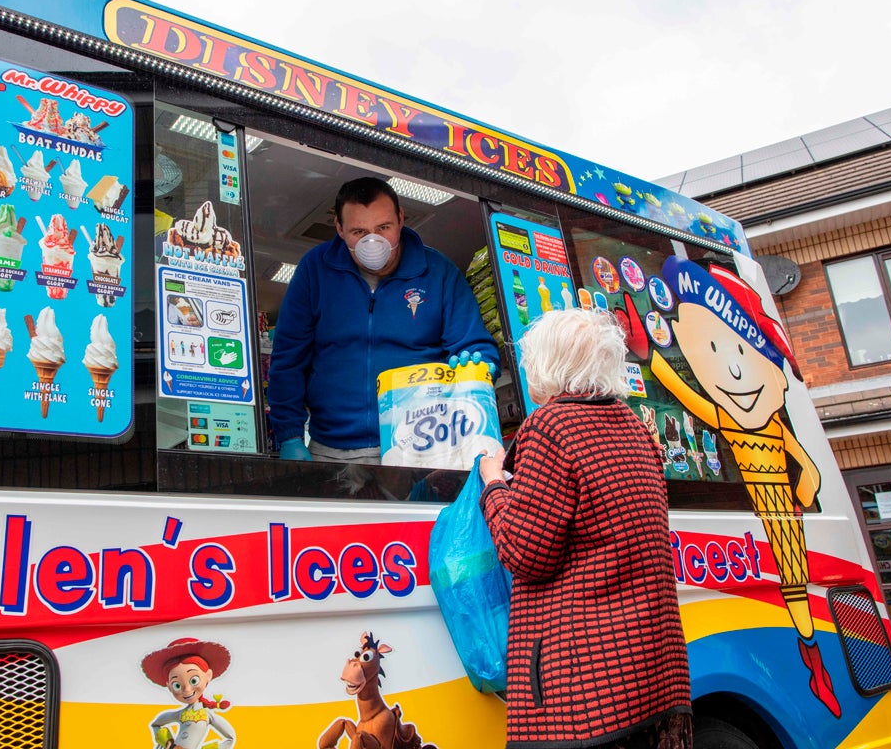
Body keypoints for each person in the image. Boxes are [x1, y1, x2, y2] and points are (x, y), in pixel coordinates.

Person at [479, 309, 692, 749]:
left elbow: (525, 553)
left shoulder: (551, 427)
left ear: (546, 364)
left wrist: (494, 485)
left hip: (587, 693)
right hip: (651, 676)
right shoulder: (633, 427)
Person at [268, 176, 499, 462]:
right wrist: (289, 435)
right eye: (358, 232)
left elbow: (477, 346)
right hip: (331, 449)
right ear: (339, 229)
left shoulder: (438, 273)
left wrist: (477, 364)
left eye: (383, 228)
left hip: (422, 446)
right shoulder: (314, 270)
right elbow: (288, 357)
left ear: (401, 219)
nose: (372, 241)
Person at [142, 637, 236, 749]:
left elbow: (231, 738)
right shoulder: (180, 714)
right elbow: (156, 724)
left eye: (193, 680)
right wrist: (168, 741)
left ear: (208, 676)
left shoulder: (206, 715)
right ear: (169, 686)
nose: (187, 689)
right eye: (177, 685)